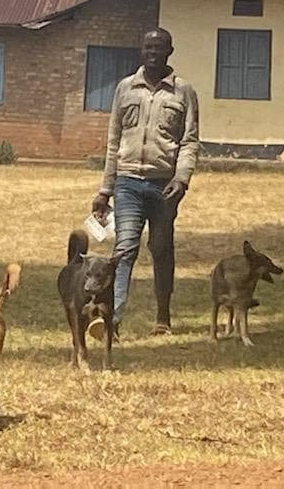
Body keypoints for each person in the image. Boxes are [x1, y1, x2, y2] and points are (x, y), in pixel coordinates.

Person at [91, 28, 199, 338]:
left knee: (162, 249)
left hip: (164, 184)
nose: (152, 53)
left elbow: (189, 141)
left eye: (159, 47)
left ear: (170, 51)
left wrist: (182, 178)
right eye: (147, 47)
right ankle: (112, 319)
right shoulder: (125, 88)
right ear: (141, 51)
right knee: (124, 250)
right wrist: (105, 189)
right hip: (127, 183)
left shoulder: (183, 92)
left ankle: (163, 317)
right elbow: (113, 140)